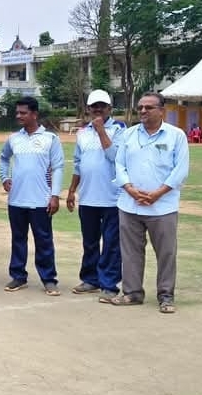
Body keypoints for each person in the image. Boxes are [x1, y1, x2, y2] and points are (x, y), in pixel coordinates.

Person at [110, 92, 189, 314]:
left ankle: (166, 296)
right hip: (130, 204)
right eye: (140, 107)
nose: (143, 111)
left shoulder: (176, 136)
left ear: (162, 110)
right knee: (130, 252)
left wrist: (157, 194)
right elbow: (119, 164)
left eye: (149, 107)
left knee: (166, 253)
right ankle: (132, 293)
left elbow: (180, 170)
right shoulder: (129, 134)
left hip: (162, 207)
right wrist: (130, 189)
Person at [0, 96, 65, 296]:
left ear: (34, 114)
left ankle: (49, 279)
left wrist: (55, 196)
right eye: (17, 112)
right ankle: (18, 276)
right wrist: (4, 177)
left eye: (23, 112)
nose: (19, 116)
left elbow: (58, 167)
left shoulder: (50, 139)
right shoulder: (14, 138)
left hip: (41, 200)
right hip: (16, 200)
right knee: (18, 239)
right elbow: (4, 158)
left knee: (44, 241)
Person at [66, 90, 126, 302]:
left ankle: (109, 284)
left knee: (111, 244)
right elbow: (78, 164)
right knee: (90, 242)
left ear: (110, 108)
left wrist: (101, 131)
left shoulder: (120, 130)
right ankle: (90, 279)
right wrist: (72, 190)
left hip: (112, 198)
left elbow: (116, 157)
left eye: (102, 105)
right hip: (88, 196)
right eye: (94, 106)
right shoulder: (82, 133)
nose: (98, 109)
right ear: (88, 109)